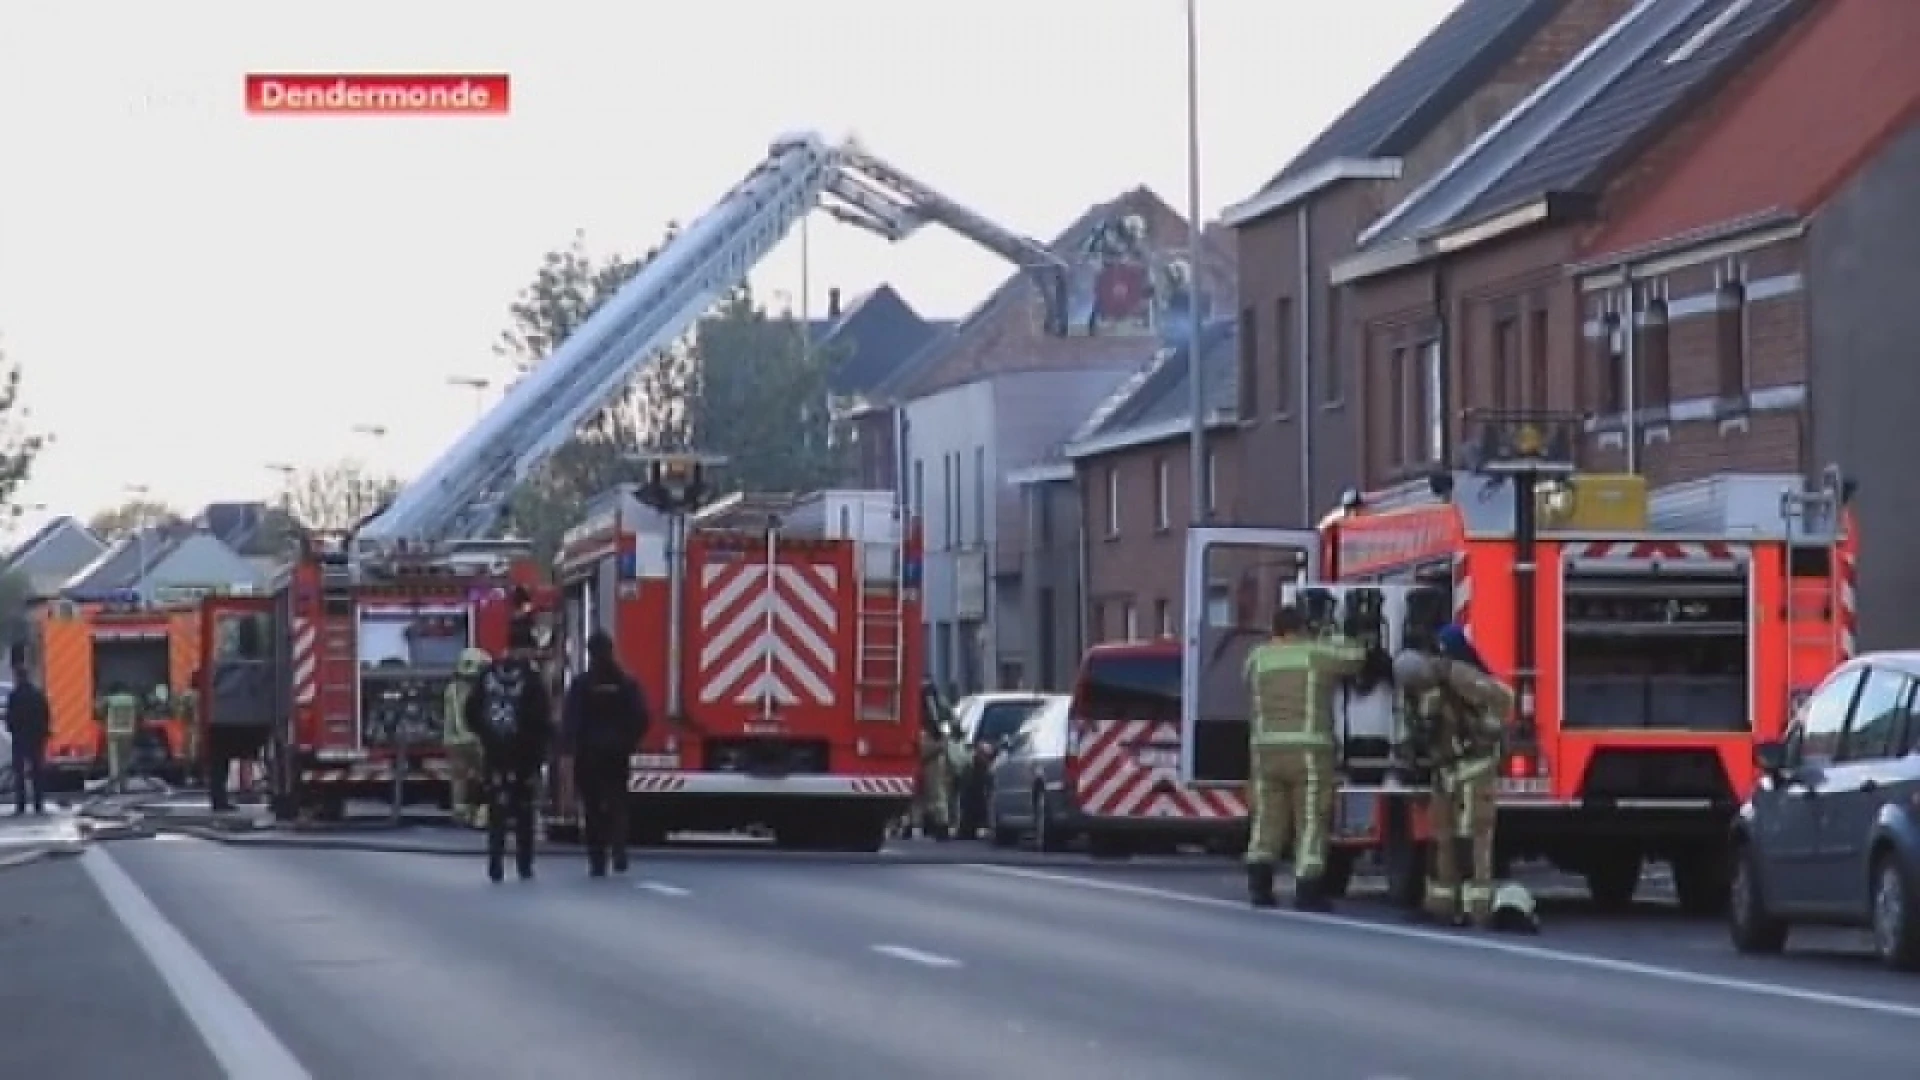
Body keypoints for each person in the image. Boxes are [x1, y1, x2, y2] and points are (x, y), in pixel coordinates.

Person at [1393, 624, 1527, 929]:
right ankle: (1440, 905)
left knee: (1471, 837)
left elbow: (1503, 700)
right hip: (1445, 769)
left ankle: (1474, 908)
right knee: (1441, 838)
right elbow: (1418, 726)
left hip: (1473, 768)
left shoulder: (1462, 676)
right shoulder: (1425, 687)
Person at [1243, 604, 1365, 911]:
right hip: (1308, 751)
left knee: (1267, 818)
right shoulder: (1315, 654)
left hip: (1265, 751)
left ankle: (1260, 887)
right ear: (1301, 628)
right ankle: (1307, 890)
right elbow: (1356, 658)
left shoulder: (1258, 657)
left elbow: (1245, 677)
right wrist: (1334, 633)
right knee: (1311, 819)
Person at [560, 631, 650, 877]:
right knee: (618, 803)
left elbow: (570, 721)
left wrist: (568, 749)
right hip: (617, 753)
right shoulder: (626, 683)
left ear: (589, 653)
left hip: (588, 754)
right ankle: (619, 849)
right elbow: (641, 717)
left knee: (592, 808)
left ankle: (597, 859)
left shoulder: (582, 684)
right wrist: (629, 742)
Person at [465, 638, 553, 883]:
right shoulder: (532, 680)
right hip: (524, 757)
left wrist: (485, 735)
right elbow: (541, 718)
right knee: (524, 813)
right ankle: (524, 863)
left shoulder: (488, 675)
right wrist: (540, 748)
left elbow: (470, 711)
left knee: (497, 812)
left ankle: (495, 862)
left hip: (495, 755)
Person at [444, 648, 489, 827]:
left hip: (454, 741)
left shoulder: (452, 689)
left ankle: (462, 812)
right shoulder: (477, 690)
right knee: (484, 776)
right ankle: (481, 812)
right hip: (471, 740)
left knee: (459, 779)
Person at [7, 657, 51, 815]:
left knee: (19, 772)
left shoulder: (14, 696)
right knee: (37, 771)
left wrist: (12, 730)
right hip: (37, 737)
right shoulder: (38, 694)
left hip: (20, 737)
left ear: (17, 677)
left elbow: (10, 716)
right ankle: (38, 804)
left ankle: (21, 805)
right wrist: (44, 731)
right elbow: (46, 713)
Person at [913, 679, 953, 841]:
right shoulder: (937, 701)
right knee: (936, 790)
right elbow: (948, 721)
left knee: (919, 790)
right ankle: (940, 825)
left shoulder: (920, 697)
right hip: (935, 745)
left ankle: (916, 825)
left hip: (923, 741)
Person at [102, 681, 141, 793]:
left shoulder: (109, 700)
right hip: (128, 731)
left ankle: (114, 786)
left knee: (114, 760)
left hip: (113, 732)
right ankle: (124, 786)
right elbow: (140, 712)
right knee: (124, 760)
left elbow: (100, 711)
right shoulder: (133, 699)